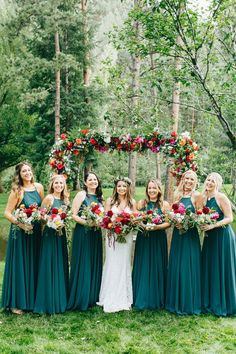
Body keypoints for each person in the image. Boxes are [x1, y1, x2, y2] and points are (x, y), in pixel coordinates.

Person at [1, 162, 44, 314]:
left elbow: (43, 209)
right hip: (20, 234)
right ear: (19, 175)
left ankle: (31, 300)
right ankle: (15, 303)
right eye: (24, 171)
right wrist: (21, 224)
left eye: (29, 170)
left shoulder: (39, 187)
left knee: (34, 263)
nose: (27, 173)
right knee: (20, 266)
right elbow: (7, 212)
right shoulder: (17, 190)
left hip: (36, 233)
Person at [97, 176, 136, 313]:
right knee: (112, 263)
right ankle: (109, 295)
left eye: (124, 186)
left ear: (128, 188)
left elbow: (135, 220)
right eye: (119, 186)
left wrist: (127, 228)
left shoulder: (132, 202)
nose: (121, 188)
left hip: (126, 238)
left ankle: (124, 296)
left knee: (124, 263)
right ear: (116, 187)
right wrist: (113, 226)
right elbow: (105, 220)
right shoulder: (110, 201)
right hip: (112, 238)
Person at [166, 170, 202, 315]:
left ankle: (189, 302)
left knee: (189, 265)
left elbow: (200, 216)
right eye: (186, 178)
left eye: (191, 179)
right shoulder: (177, 194)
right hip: (178, 236)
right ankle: (175, 301)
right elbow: (172, 214)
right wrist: (176, 221)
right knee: (177, 265)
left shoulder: (197, 196)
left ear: (195, 181)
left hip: (190, 236)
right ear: (183, 179)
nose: (188, 181)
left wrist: (187, 222)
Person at [201, 172, 236, 316]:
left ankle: (224, 303)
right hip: (210, 238)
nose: (209, 183)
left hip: (222, 237)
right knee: (211, 267)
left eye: (213, 181)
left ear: (218, 184)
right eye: (208, 180)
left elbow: (230, 218)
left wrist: (213, 225)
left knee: (222, 267)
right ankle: (210, 300)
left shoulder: (221, 197)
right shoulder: (204, 199)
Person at [33, 175, 69, 314]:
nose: (59, 185)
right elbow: (40, 216)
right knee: (49, 264)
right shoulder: (49, 198)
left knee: (60, 263)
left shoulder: (65, 200)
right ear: (52, 185)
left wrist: (61, 222)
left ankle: (60, 298)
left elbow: (66, 216)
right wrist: (50, 221)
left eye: (61, 183)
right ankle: (47, 301)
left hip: (61, 235)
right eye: (56, 183)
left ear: (64, 185)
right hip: (49, 234)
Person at [67, 172, 103, 311]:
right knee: (84, 262)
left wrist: (99, 222)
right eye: (90, 179)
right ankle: (81, 297)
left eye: (95, 179)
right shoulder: (81, 195)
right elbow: (73, 215)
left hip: (95, 234)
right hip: (83, 232)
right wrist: (88, 223)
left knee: (94, 262)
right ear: (86, 182)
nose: (93, 181)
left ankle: (92, 297)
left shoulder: (100, 198)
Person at [132, 179, 170, 310]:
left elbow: (168, 223)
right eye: (149, 188)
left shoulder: (164, 205)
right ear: (146, 190)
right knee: (144, 265)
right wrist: (142, 223)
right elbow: (135, 219)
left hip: (158, 238)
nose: (152, 190)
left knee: (157, 265)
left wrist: (156, 227)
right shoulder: (141, 203)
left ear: (159, 189)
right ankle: (141, 296)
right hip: (144, 238)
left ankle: (157, 298)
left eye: (154, 188)